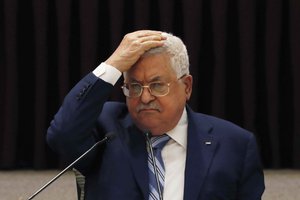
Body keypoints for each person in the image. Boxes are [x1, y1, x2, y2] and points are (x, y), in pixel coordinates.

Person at [47, 30, 265, 200]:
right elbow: (62, 135)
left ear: (187, 86)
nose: (144, 98)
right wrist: (111, 65)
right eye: (134, 86)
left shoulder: (235, 144)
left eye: (158, 85)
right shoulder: (106, 128)